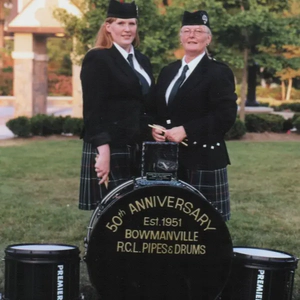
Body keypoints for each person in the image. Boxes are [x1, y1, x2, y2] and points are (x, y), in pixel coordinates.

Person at [151, 10, 237, 221]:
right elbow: (156, 108)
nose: (192, 35)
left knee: (205, 223)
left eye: (199, 31)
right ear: (180, 37)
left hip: (203, 158)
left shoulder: (218, 72)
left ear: (208, 39)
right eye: (187, 31)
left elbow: (226, 115)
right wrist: (155, 128)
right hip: (167, 157)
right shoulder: (168, 71)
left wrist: (187, 130)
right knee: (168, 218)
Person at [79, 0, 154, 210]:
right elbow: (93, 111)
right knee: (111, 215)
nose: (127, 29)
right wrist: (103, 152)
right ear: (108, 27)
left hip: (138, 146)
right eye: (121, 23)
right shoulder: (98, 58)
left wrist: (152, 130)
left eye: (132, 23)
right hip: (111, 146)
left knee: (137, 210)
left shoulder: (142, 60)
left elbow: (142, 104)